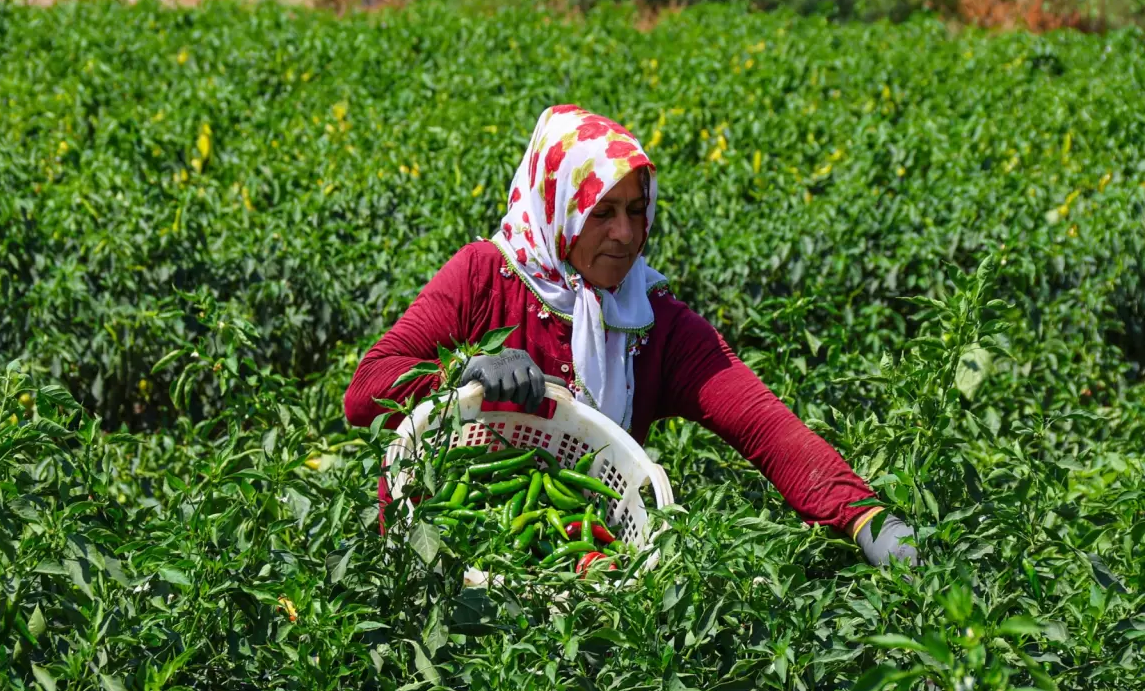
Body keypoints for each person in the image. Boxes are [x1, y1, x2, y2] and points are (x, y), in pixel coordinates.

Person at [344, 105, 919, 567]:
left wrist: (867, 520)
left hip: (579, 559)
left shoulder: (654, 322)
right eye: (602, 213)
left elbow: (765, 426)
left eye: (637, 210)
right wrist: (463, 371)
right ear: (559, 210)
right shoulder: (484, 277)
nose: (626, 234)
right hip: (440, 548)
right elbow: (363, 392)